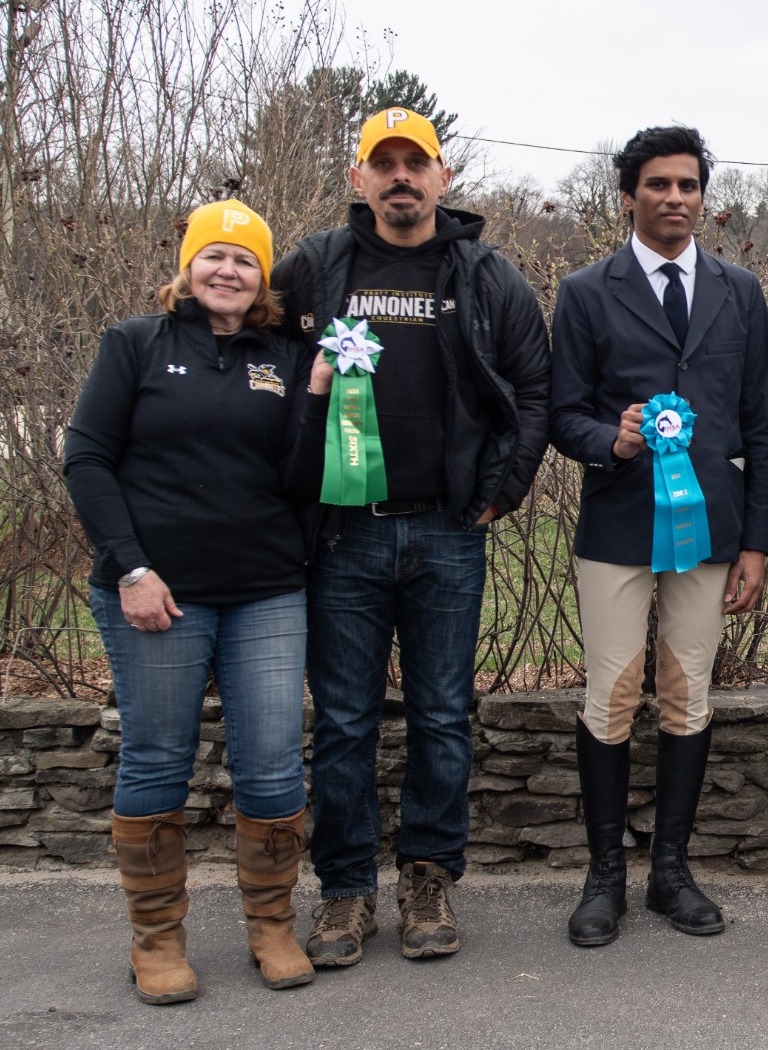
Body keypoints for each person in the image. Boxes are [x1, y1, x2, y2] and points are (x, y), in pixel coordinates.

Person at [274, 108, 552, 966]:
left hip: (447, 534)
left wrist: (502, 492)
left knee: (440, 718)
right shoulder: (315, 269)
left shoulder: (486, 273)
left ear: (443, 176)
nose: (400, 176)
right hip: (346, 537)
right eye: (382, 163)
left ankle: (428, 877)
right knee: (346, 724)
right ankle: (346, 890)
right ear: (357, 178)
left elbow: (533, 389)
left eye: (415, 162)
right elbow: (257, 370)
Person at [66, 200, 316, 1003]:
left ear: (262, 277)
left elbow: (302, 473)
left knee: (274, 760)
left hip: (267, 591)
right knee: (157, 759)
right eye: (214, 256)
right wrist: (131, 569)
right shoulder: (134, 344)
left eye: (245, 261)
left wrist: (315, 397)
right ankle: (156, 938)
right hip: (157, 595)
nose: (228, 271)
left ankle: (272, 924)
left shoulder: (286, 356)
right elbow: (88, 459)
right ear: (188, 266)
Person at [549, 125, 768, 945]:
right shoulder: (584, 291)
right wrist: (607, 440)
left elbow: (758, 425)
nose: (674, 198)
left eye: (687, 185)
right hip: (616, 525)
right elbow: (560, 413)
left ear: (703, 198)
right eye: (658, 185)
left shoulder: (740, 290)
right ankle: (604, 876)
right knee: (610, 696)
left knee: (689, 693)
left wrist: (756, 543)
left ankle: (670, 873)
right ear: (628, 196)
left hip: (712, 530)